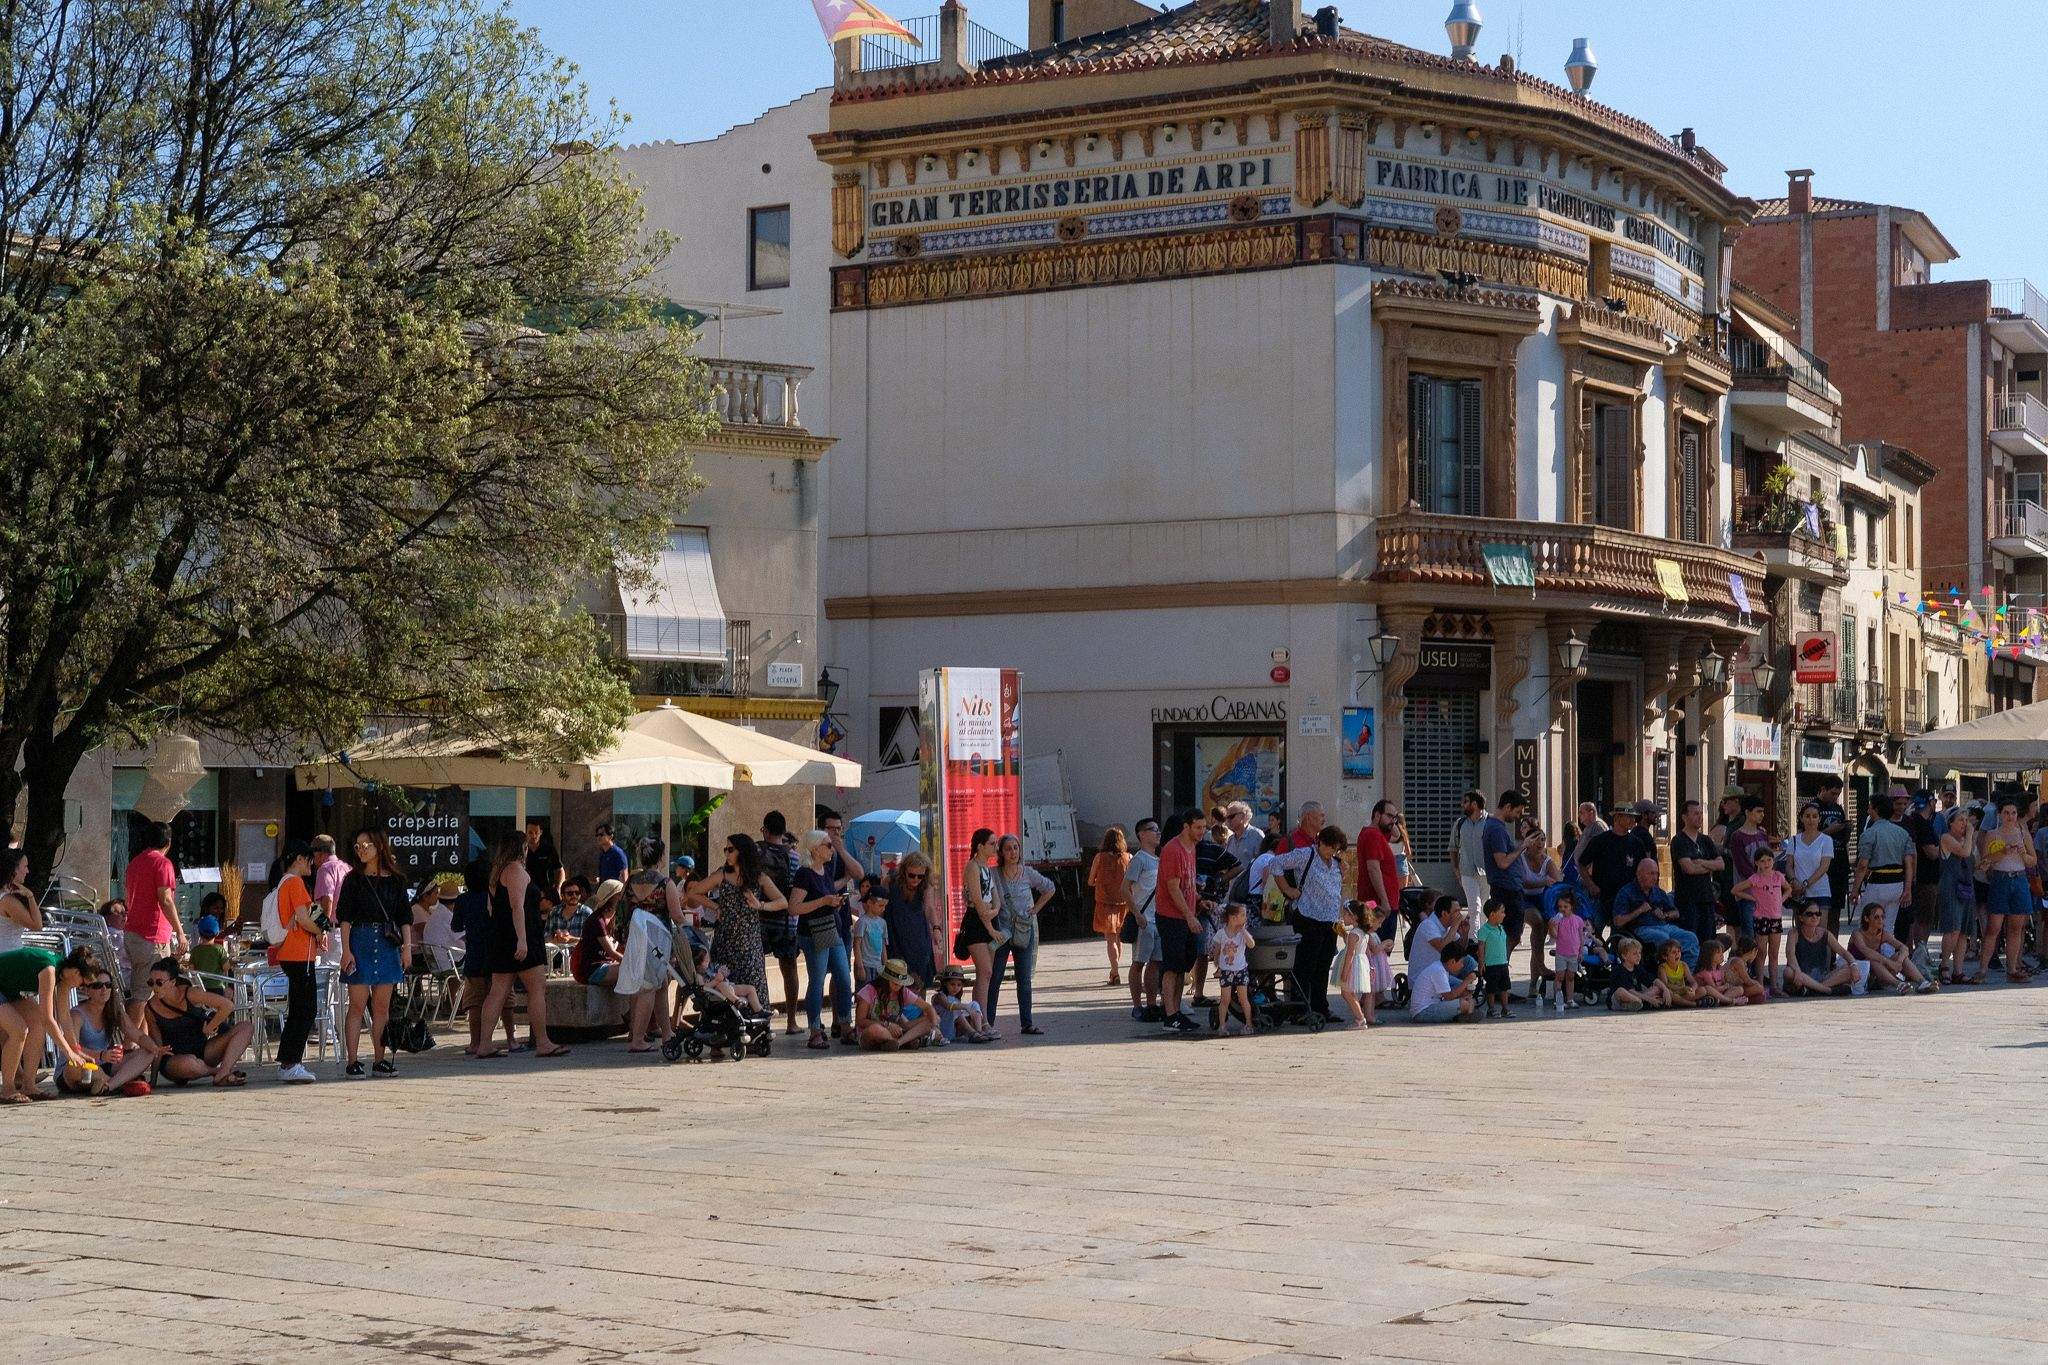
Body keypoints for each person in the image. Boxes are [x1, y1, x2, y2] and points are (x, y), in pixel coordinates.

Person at [474, 830, 569, 1062]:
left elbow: (490, 908)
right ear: (520, 848)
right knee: (537, 989)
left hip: (501, 937)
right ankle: (543, 1042)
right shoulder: (516, 870)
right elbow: (518, 907)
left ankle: (483, 1044)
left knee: (497, 992)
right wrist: (523, 939)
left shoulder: (496, 873)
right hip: (521, 937)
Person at [338, 829, 416, 1078]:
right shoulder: (353, 879)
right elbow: (345, 917)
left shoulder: (395, 880)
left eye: (366, 845)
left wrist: (407, 948)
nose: (361, 850)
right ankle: (352, 1060)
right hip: (360, 939)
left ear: (379, 846)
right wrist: (346, 950)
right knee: (357, 1005)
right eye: (357, 846)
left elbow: (404, 916)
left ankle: (379, 1059)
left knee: (382, 1007)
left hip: (386, 942)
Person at [693, 833, 786, 1026]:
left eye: (730, 849)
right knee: (723, 988)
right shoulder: (722, 874)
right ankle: (719, 1033)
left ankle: (756, 1031)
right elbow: (694, 892)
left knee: (752, 983)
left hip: (749, 941)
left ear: (743, 851)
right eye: (725, 849)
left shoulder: (758, 877)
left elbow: (782, 902)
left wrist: (760, 905)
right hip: (725, 940)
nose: (726, 853)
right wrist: (715, 906)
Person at [1268, 823, 1348, 1024]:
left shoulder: (1336, 862)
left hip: (1329, 920)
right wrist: (1287, 889)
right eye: (1331, 847)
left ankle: (1321, 1007)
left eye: (1336, 849)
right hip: (1308, 916)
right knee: (1305, 965)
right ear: (1321, 842)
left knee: (1323, 965)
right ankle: (1300, 1009)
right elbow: (1275, 863)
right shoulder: (1306, 855)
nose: (1333, 852)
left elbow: (1337, 889)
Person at [0, 944, 100, 1101]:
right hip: (4, 989)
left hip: (7, 989)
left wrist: (75, 1049)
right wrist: (68, 1053)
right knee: (18, 1029)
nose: (82, 988)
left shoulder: (64, 977)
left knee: (37, 1024)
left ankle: (29, 1086)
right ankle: (7, 1089)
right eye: (83, 983)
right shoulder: (49, 970)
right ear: (75, 972)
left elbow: (64, 1018)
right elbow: (49, 1019)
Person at [789, 829, 857, 1050]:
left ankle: (845, 1023)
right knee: (817, 980)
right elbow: (794, 907)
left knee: (843, 977)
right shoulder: (804, 873)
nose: (831, 849)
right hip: (814, 931)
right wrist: (823, 901)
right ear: (815, 848)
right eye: (828, 845)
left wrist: (834, 899)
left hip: (832, 928)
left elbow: (829, 891)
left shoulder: (825, 870)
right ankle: (815, 1029)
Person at [141, 956, 254, 1087]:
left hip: (203, 1050)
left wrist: (209, 1027)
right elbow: (157, 1044)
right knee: (189, 1064)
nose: (155, 987)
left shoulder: (189, 993)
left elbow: (227, 1005)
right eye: (151, 982)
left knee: (246, 1027)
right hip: (175, 1060)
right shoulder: (150, 1007)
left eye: (159, 983)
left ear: (172, 982)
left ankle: (223, 1074)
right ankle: (218, 1072)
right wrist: (153, 1080)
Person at [988, 833, 1055, 1037]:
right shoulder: (994, 874)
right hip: (1002, 932)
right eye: (1008, 848)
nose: (1013, 852)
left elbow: (1049, 888)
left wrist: (1035, 909)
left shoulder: (1027, 872)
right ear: (1001, 852)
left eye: (1016, 848)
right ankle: (988, 1022)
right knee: (995, 977)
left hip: (1025, 930)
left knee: (1024, 978)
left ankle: (1027, 1023)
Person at [120, 821, 186, 1027]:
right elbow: (165, 899)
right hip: (152, 934)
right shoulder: (163, 864)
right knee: (146, 991)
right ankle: (130, 1045)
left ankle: (144, 1044)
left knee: (146, 992)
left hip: (133, 932)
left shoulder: (135, 863)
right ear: (168, 841)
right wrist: (180, 932)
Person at [268, 843, 323, 1084]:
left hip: (291, 953)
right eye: (309, 860)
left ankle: (289, 1061)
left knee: (300, 1008)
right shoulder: (295, 882)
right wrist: (320, 931)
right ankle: (291, 1062)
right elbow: (304, 919)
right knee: (305, 1008)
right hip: (300, 953)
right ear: (300, 859)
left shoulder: (284, 882)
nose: (312, 864)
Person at [57, 963, 157, 1096]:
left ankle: (108, 1086)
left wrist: (155, 1048)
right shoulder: (77, 1015)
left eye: (108, 985)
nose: (104, 989)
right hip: (75, 1069)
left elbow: (136, 1035)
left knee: (147, 1052)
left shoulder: (114, 1011)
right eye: (98, 986)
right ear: (87, 990)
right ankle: (118, 1084)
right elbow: (73, 1048)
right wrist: (101, 1055)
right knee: (81, 1066)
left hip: (105, 1065)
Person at [451, 857, 514, 1057]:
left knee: (475, 1002)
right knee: (505, 999)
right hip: (498, 951)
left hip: (475, 954)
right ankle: (511, 1039)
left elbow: (456, 926)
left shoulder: (463, 900)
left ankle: (475, 1042)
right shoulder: (495, 895)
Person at [1154, 811, 1210, 1034]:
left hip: (1186, 913)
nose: (1202, 832)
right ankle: (1170, 1014)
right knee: (1172, 966)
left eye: (1204, 827)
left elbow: (1188, 885)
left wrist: (1199, 901)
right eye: (1198, 827)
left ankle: (1176, 1012)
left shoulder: (1191, 848)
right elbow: (1173, 888)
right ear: (1186, 827)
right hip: (1171, 916)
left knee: (1183, 965)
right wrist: (1189, 915)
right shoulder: (1173, 850)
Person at [1975, 798, 2035, 985]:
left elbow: (2033, 860)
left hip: (2019, 879)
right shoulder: (1993, 834)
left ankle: (2012, 969)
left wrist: (2023, 853)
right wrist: (2003, 852)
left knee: (2016, 928)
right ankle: (1983, 969)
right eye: (2007, 813)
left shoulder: (2023, 833)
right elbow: (1985, 861)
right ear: (2000, 814)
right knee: (1994, 927)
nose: (2010, 816)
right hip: (2000, 880)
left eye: (2014, 813)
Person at [611, 891, 676, 1055]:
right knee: (649, 986)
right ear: (659, 863)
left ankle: (665, 1033)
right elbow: (676, 913)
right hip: (656, 939)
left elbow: (621, 908)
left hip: (637, 936)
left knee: (660, 984)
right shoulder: (665, 884)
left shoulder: (631, 883)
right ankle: (638, 1039)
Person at [1849, 794, 1916, 946]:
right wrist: (1908, 888)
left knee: (1867, 926)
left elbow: (1862, 865)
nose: (1868, 810)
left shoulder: (1870, 833)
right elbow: (1909, 863)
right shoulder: (1902, 833)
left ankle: (1867, 961)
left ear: (1875, 809)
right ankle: (1887, 959)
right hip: (1897, 884)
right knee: (1888, 927)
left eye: (1870, 807)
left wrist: (1855, 889)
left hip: (1877, 884)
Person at [953, 827, 1004, 1027]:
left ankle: (980, 1019)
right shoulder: (972, 867)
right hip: (976, 924)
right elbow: (978, 904)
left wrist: (992, 912)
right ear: (980, 846)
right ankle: (981, 1022)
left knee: (987, 973)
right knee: (985, 972)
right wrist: (991, 927)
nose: (995, 847)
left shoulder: (987, 869)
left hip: (989, 921)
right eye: (992, 843)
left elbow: (995, 901)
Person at [1611, 856, 1698, 967]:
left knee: (1690, 938)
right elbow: (1618, 921)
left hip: (1664, 925)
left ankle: (1686, 975)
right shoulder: (1626, 892)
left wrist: (1665, 915)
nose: (1655, 877)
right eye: (1650, 874)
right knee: (1664, 940)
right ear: (1639, 874)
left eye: (1656, 874)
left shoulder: (1658, 892)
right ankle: (1665, 975)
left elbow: (1676, 913)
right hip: (1642, 928)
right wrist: (1639, 910)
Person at [1580, 805, 1654, 927]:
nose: (1632, 820)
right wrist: (1590, 885)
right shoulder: (1600, 841)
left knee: (1622, 936)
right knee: (1593, 933)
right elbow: (1582, 863)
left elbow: (1646, 868)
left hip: (1627, 899)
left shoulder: (1636, 843)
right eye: (1628, 816)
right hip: (1602, 897)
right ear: (1617, 818)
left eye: (1633, 817)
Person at [1732, 847, 1789, 989]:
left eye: (1769, 860)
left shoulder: (1778, 876)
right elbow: (1736, 890)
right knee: (1761, 952)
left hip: (1775, 918)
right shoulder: (1755, 878)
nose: (1766, 863)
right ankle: (1760, 984)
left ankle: (1775, 985)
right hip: (1761, 918)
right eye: (1762, 861)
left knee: (1774, 953)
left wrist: (1781, 899)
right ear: (1756, 863)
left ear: (1773, 860)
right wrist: (1752, 898)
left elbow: (1788, 888)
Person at [1669, 800, 1725, 945]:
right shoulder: (1679, 840)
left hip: (1707, 897)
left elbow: (1721, 865)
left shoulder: (1706, 840)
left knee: (1708, 941)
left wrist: (1701, 862)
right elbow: (1689, 868)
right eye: (1695, 813)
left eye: (1701, 813)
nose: (1699, 817)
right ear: (1684, 817)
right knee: (1691, 940)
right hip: (1687, 900)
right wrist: (1709, 866)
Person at [1124, 819, 1162, 1021]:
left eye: (1158, 829)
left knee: (1155, 963)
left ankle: (1152, 1004)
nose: (1158, 833)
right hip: (1144, 920)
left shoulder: (1158, 859)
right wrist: (1137, 914)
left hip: (1158, 920)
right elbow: (1124, 888)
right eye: (1152, 830)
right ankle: (1137, 1005)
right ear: (1141, 834)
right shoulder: (1139, 859)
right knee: (1139, 962)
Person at [1850, 903, 1936, 994]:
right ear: (1866, 919)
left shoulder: (1883, 934)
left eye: (1882, 917)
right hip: (1858, 974)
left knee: (1900, 955)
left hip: (1877, 975)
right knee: (1872, 960)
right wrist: (1889, 962)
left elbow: (1904, 947)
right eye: (1876, 917)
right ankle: (1898, 984)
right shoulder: (1857, 934)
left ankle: (1922, 982)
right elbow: (1866, 951)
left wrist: (1899, 961)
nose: (1880, 920)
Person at [884, 854, 940, 989]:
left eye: (920, 876)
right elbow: (882, 905)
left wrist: (936, 928)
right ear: (904, 871)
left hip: (917, 934)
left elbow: (930, 908)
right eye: (912, 875)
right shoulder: (890, 881)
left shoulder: (926, 885)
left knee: (919, 980)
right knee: (896, 980)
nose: (916, 879)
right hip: (895, 933)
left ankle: (920, 1009)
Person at [854, 959, 934, 1051]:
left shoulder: (903, 991)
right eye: (895, 983)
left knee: (928, 1024)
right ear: (886, 979)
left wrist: (931, 1018)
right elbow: (860, 1021)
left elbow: (926, 1006)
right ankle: (902, 1042)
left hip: (895, 1031)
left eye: (901, 984)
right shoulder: (868, 991)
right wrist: (886, 1025)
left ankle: (897, 1043)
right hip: (871, 1033)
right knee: (876, 1029)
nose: (898, 987)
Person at [1937, 809, 1978, 985]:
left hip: (1966, 888)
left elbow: (1971, 862)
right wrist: (1970, 834)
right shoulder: (1946, 838)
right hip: (1950, 888)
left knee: (1963, 931)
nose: (1965, 824)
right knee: (1952, 929)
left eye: (1966, 820)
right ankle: (1944, 966)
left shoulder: (1967, 841)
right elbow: (1964, 852)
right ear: (1951, 823)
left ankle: (1958, 970)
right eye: (1960, 820)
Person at [1783, 803, 1835, 941]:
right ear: (1801, 818)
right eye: (1807, 816)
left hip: (1820, 891)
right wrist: (1794, 881)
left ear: (1819, 819)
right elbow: (1789, 865)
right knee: (1801, 934)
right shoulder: (1794, 840)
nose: (1811, 820)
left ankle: (1823, 962)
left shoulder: (1826, 840)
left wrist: (1805, 884)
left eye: (1814, 816)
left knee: (1821, 934)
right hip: (1800, 894)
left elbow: (1824, 866)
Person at [1087, 827, 1131, 987]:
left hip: (1105, 903)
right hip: (1124, 902)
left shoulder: (1100, 857)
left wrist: (1101, 881)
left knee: (1110, 939)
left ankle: (1115, 971)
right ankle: (1114, 970)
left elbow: (1090, 881)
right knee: (1118, 937)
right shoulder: (1128, 857)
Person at [1355, 800, 1404, 939]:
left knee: (1380, 953)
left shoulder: (1377, 834)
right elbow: (1373, 869)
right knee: (1379, 952)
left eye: (1394, 817)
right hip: (1379, 906)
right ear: (1377, 815)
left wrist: (1392, 820)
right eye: (1388, 816)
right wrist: (1385, 900)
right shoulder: (1373, 835)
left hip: (1381, 903)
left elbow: (1396, 835)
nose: (1392, 821)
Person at [1784, 906, 1858, 996]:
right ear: (1801, 917)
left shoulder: (1825, 933)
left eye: (1817, 914)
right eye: (1809, 914)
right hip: (1801, 976)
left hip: (1822, 978)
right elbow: (1790, 954)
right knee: (1788, 972)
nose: (1814, 917)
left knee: (1849, 969)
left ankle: (1814, 990)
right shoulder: (1794, 933)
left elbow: (1843, 952)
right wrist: (1798, 971)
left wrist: (1853, 965)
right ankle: (1827, 991)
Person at [1904, 793, 1943, 956]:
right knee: (1923, 919)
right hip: (1925, 879)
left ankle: (1914, 952)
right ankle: (1920, 953)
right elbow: (1931, 852)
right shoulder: (1922, 824)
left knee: (1913, 917)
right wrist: (1946, 846)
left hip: (1915, 877)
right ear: (1930, 802)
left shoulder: (1911, 821)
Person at [1212, 902, 1256, 1035]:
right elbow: (1217, 950)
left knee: (1243, 999)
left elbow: (1252, 944)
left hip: (1241, 969)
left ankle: (1249, 1024)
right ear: (1232, 918)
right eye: (1242, 915)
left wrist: (1243, 931)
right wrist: (1217, 963)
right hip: (1226, 970)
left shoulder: (1243, 934)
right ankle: (1222, 1026)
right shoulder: (1221, 933)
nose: (1245, 917)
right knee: (1225, 999)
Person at [1408, 942, 1478, 1023]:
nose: (1462, 965)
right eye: (1461, 962)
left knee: (1469, 999)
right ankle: (1466, 1015)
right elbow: (1449, 996)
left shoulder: (1442, 969)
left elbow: (1460, 989)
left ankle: (1466, 1015)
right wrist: (1467, 981)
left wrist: (1466, 990)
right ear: (1452, 962)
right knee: (1464, 1004)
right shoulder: (1438, 971)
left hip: (1433, 1004)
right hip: (1423, 1012)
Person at [571, 881, 624, 987]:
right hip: (592, 970)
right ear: (612, 897)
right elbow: (612, 952)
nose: (624, 897)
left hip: (607, 965)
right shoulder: (596, 920)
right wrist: (635, 964)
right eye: (621, 894)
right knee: (632, 971)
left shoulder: (614, 918)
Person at [1813, 775, 1852, 915]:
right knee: (1820, 909)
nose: (1835, 797)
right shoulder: (1812, 809)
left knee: (1836, 909)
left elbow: (1844, 840)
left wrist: (1846, 830)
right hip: (1820, 864)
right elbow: (1808, 838)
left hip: (1839, 862)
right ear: (1823, 789)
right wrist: (1829, 831)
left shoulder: (1838, 809)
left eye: (1838, 794)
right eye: (1833, 793)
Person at [1330, 900, 1370, 1029]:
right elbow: (1357, 946)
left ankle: (1360, 1019)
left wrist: (1344, 972)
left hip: (1352, 965)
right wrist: (1342, 933)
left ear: (1354, 917)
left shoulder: (1354, 934)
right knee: (1348, 992)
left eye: (1345, 915)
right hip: (1360, 963)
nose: (1343, 917)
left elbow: (1350, 953)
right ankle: (1360, 1018)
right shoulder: (1361, 932)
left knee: (1347, 992)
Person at [1450, 791, 1490, 916]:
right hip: (1467, 872)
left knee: (1485, 908)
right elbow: (1453, 848)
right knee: (1474, 907)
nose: (1462, 804)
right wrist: (1457, 871)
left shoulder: (1490, 822)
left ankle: (1482, 935)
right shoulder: (1460, 824)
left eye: (1465, 802)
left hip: (1487, 873)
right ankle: (1473, 936)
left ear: (1474, 804)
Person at [929, 963, 992, 1044]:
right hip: (942, 1031)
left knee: (975, 1004)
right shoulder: (940, 996)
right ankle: (972, 1034)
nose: (955, 988)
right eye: (952, 984)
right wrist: (965, 1007)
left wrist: (970, 1009)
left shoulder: (955, 998)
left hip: (953, 1030)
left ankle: (978, 1032)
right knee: (956, 1008)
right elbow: (949, 1006)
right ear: (945, 983)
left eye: (959, 985)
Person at [1549, 888, 1588, 1014]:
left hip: (1573, 953)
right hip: (1561, 953)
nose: (1562, 909)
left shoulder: (1578, 920)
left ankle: (1570, 999)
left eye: (1565, 906)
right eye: (1560, 906)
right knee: (1560, 976)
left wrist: (1581, 951)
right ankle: (1558, 999)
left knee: (1571, 976)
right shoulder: (1558, 921)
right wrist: (1552, 926)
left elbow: (1581, 937)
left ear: (1572, 906)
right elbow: (1555, 935)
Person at [1607, 937, 1668, 1011]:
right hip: (1619, 999)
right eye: (1634, 953)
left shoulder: (1638, 968)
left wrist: (1665, 989)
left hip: (1637, 995)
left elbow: (1653, 979)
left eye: (1639, 953)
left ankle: (1638, 1004)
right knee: (1621, 991)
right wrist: (1650, 999)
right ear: (1624, 956)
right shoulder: (1619, 970)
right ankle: (1639, 1004)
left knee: (1657, 988)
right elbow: (1630, 991)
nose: (1638, 956)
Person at [0, 849, 41, 955]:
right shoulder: (7, 900)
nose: (27, 871)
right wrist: (30, 896)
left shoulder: (6, 895)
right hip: (8, 957)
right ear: (14, 870)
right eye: (25, 866)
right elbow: (37, 926)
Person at [1477, 897, 1512, 1019]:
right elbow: (1481, 947)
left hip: (1502, 963)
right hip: (1491, 965)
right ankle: (1491, 1009)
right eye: (1502, 912)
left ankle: (1505, 1008)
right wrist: (1481, 963)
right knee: (1491, 988)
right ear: (1492, 914)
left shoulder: (1501, 928)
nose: (1504, 914)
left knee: (1505, 987)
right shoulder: (1484, 930)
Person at [853, 880, 891, 988]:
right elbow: (856, 944)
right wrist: (860, 966)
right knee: (864, 994)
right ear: (869, 903)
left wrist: (885, 965)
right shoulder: (862, 922)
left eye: (884, 906)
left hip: (878, 966)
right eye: (880, 906)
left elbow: (883, 945)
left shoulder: (882, 923)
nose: (883, 909)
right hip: (865, 965)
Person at [524, 819, 564, 907]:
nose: (533, 836)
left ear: (540, 832)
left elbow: (560, 870)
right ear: (526, 832)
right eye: (530, 832)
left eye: (536, 832)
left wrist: (558, 888)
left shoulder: (548, 849)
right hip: (528, 893)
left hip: (547, 892)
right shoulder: (521, 851)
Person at [1692, 938, 1744, 1006]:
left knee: (1740, 989)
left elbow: (1724, 983)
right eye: (1718, 952)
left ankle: (1721, 1000)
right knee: (1710, 989)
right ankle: (1730, 1000)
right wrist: (1725, 986)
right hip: (1709, 992)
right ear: (1709, 955)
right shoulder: (1705, 973)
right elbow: (1714, 989)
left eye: (1722, 952)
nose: (1722, 955)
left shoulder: (1720, 969)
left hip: (1719, 994)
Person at [1656, 939, 1703, 1007]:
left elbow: (1693, 981)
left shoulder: (1683, 965)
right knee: (1671, 994)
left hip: (1683, 993)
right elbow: (1665, 984)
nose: (1677, 954)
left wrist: (1693, 990)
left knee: (1703, 990)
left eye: (1679, 951)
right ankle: (1694, 1004)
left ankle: (1680, 1003)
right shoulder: (1663, 967)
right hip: (1672, 993)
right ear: (1665, 956)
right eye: (1673, 952)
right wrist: (1682, 988)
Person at [1725, 937, 1771, 1003]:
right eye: (1756, 952)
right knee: (1758, 988)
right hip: (1730, 987)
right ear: (1753, 951)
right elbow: (1748, 981)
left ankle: (1745, 1000)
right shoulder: (1738, 962)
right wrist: (1758, 984)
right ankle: (1736, 1000)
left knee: (1760, 996)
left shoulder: (1742, 961)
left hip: (1735, 986)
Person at [188, 913, 232, 979]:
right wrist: (231, 961)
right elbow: (226, 968)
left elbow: (191, 970)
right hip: (218, 987)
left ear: (199, 933)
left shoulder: (195, 950)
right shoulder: (219, 949)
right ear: (217, 933)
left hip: (201, 986)